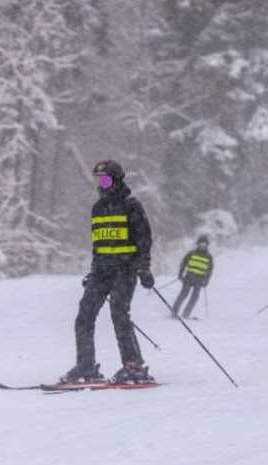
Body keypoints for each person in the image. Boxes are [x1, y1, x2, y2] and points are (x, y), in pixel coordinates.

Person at [60, 160, 155, 385]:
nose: (100, 184)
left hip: (125, 269)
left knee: (119, 313)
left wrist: (144, 268)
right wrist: (93, 272)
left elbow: (144, 238)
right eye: (97, 179)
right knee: (84, 315)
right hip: (102, 271)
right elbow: (99, 245)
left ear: (116, 181)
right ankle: (86, 366)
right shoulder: (98, 208)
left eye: (104, 179)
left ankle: (135, 367)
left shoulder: (131, 205)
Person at [171, 235, 214, 319]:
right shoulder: (192, 253)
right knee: (183, 294)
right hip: (189, 277)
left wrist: (206, 281)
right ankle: (174, 311)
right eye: (201, 244)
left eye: (204, 245)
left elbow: (209, 270)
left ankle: (186, 314)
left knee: (195, 297)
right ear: (197, 244)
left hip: (199, 280)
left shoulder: (209, 257)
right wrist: (180, 274)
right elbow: (183, 263)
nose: (202, 246)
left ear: (207, 246)